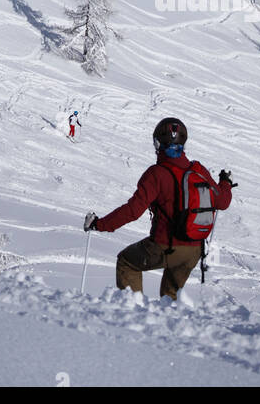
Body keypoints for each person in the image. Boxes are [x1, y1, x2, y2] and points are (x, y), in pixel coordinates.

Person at [83, 117, 235, 299]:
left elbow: (132, 211)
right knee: (169, 299)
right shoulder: (198, 170)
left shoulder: (156, 174)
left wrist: (99, 224)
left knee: (126, 262)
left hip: (165, 246)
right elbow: (223, 202)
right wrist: (225, 183)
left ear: (157, 143)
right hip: (193, 250)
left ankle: (133, 312)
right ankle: (166, 323)